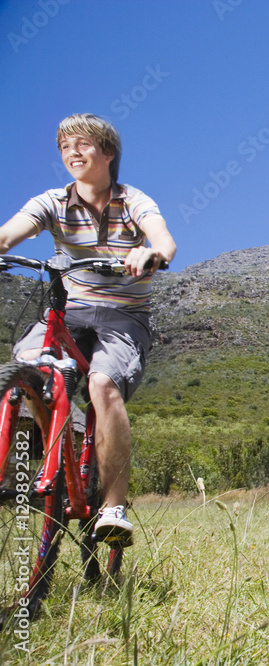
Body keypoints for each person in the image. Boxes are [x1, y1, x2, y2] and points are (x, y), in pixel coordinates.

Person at [0, 114, 176, 546]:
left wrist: (150, 254)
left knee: (102, 384)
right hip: (69, 313)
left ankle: (113, 506)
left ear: (107, 153)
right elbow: (7, 236)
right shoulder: (52, 202)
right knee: (23, 373)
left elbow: (164, 240)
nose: (71, 153)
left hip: (123, 319)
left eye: (81, 145)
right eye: (64, 147)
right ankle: (29, 465)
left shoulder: (133, 200)